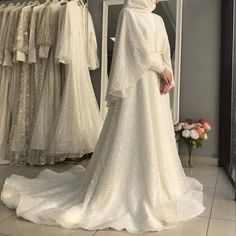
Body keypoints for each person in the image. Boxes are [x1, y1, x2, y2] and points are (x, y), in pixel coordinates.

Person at [1, 0, 205, 234]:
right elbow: (136, 52)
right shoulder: (129, 14)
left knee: (154, 133)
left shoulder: (157, 19)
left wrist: (167, 76)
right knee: (133, 130)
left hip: (154, 87)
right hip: (136, 86)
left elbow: (164, 52)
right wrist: (162, 69)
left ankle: (154, 184)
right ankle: (121, 184)